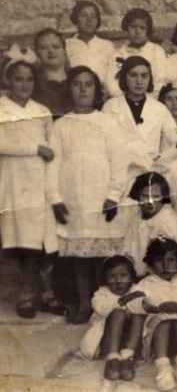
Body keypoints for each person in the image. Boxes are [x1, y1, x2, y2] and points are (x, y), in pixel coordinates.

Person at [47, 66, 128, 323]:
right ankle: (84, 303)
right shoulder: (61, 125)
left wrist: (114, 194)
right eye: (77, 84)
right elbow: (53, 164)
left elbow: (119, 160)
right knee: (80, 257)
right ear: (69, 89)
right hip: (73, 200)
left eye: (88, 84)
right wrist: (55, 198)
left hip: (101, 196)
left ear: (97, 91)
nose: (83, 89)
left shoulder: (108, 123)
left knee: (102, 256)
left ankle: (104, 304)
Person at [0, 59, 58, 318]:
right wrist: (35, 149)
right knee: (22, 242)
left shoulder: (42, 111)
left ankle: (45, 294)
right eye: (18, 79)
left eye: (29, 79)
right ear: (8, 81)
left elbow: (52, 147)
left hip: (39, 183)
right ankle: (26, 295)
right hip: (13, 184)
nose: (24, 84)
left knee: (43, 241)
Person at [127, 238, 177, 392]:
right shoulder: (148, 282)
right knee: (164, 323)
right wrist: (146, 305)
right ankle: (163, 368)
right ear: (151, 264)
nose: (166, 265)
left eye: (171, 260)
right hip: (158, 333)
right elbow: (133, 300)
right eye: (159, 260)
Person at [102, 56, 177, 176]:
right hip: (120, 173)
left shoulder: (159, 108)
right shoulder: (111, 107)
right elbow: (105, 144)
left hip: (150, 173)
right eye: (133, 75)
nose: (139, 81)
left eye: (144, 76)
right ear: (124, 78)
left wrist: (160, 159)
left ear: (150, 78)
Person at [79, 256, 144, 382]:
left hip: (130, 340)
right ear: (105, 279)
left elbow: (145, 303)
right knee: (118, 313)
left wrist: (136, 300)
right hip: (109, 340)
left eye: (123, 275)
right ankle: (112, 358)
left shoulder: (136, 290)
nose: (118, 281)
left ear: (131, 277)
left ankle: (127, 358)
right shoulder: (101, 294)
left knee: (139, 312)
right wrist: (122, 303)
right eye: (112, 277)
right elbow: (102, 309)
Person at [123, 172, 177, 276]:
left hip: (160, 277)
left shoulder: (167, 221)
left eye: (156, 197)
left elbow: (169, 261)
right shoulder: (136, 218)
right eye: (145, 196)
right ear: (137, 196)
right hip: (137, 275)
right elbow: (127, 249)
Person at [105, 8, 169, 97]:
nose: (137, 31)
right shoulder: (118, 54)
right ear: (126, 28)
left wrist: (146, 101)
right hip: (122, 102)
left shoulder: (156, 51)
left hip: (151, 102)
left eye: (142, 28)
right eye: (133, 27)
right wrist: (125, 100)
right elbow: (112, 83)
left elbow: (160, 81)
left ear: (148, 30)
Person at [65, 0, 116, 85]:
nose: (89, 20)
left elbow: (114, 73)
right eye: (83, 15)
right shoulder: (67, 45)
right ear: (75, 18)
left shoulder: (107, 45)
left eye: (93, 16)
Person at [32, 28, 72, 118]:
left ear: (64, 50)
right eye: (43, 48)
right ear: (37, 53)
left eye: (56, 47)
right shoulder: (32, 82)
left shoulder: (77, 78)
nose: (50, 51)